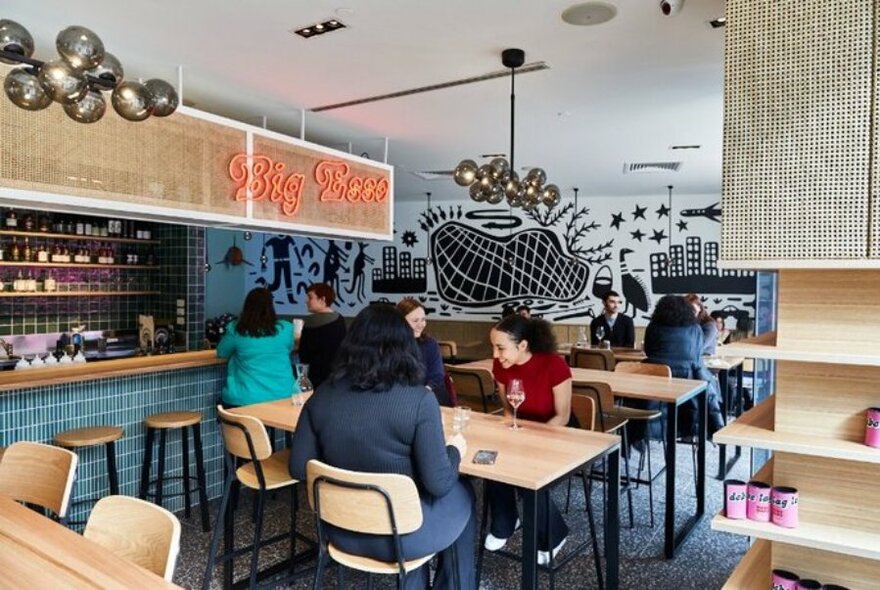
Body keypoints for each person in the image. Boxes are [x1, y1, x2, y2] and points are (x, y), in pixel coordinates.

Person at [288, 305, 476, 590]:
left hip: (340, 530)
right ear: (405, 346)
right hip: (403, 536)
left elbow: (299, 468)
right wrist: (455, 449)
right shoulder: (418, 401)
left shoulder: (322, 394)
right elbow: (438, 484)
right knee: (464, 492)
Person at [484, 315, 572, 565]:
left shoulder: (554, 365)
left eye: (500, 347)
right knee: (493, 459)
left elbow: (562, 416)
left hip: (556, 432)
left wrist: (530, 441)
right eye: (493, 346)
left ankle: (555, 536)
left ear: (522, 345)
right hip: (521, 427)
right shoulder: (501, 365)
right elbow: (509, 409)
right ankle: (505, 523)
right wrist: (509, 435)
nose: (496, 354)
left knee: (525, 471)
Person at [631, 295, 724, 443]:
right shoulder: (695, 329)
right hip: (688, 387)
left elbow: (648, 351)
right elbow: (697, 354)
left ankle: (638, 436)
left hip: (655, 386)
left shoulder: (653, 326)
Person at [215, 287, 296, 407]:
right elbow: (289, 349)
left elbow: (222, 352)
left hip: (245, 398)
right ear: (271, 306)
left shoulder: (236, 329)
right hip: (284, 394)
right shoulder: (286, 328)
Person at [397, 297, 451, 406]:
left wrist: (420, 396)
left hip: (427, 397)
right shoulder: (391, 346)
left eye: (423, 319)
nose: (421, 324)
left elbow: (437, 377)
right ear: (400, 322)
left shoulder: (430, 344)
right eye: (415, 320)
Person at [298, 283, 346, 389]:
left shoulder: (310, 322)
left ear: (322, 299)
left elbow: (303, 354)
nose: (306, 301)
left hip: (312, 378)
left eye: (310, 297)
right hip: (336, 377)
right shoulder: (340, 320)